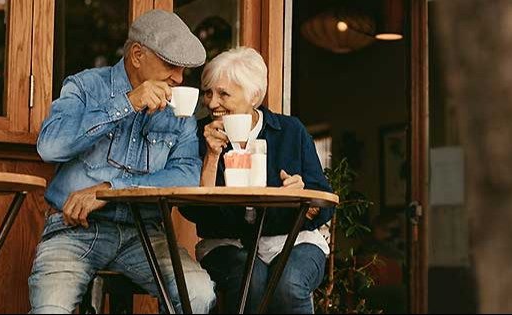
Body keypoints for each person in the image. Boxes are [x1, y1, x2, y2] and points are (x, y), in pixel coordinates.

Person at [28, 9, 215, 314]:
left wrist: (110, 188)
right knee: (50, 309)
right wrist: (127, 104)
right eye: (171, 65)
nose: (178, 79)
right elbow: (50, 147)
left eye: (183, 70)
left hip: (145, 233)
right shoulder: (86, 86)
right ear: (137, 55)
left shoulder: (178, 108)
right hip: (74, 230)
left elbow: (187, 174)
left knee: (199, 294)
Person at [180, 47, 335, 314]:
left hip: (292, 241)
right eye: (208, 92)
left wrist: (302, 195)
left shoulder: (289, 131)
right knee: (251, 282)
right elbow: (192, 209)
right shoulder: (196, 134)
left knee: (288, 285)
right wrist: (211, 157)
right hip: (227, 244)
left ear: (254, 96)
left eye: (223, 93)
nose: (212, 103)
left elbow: (323, 199)